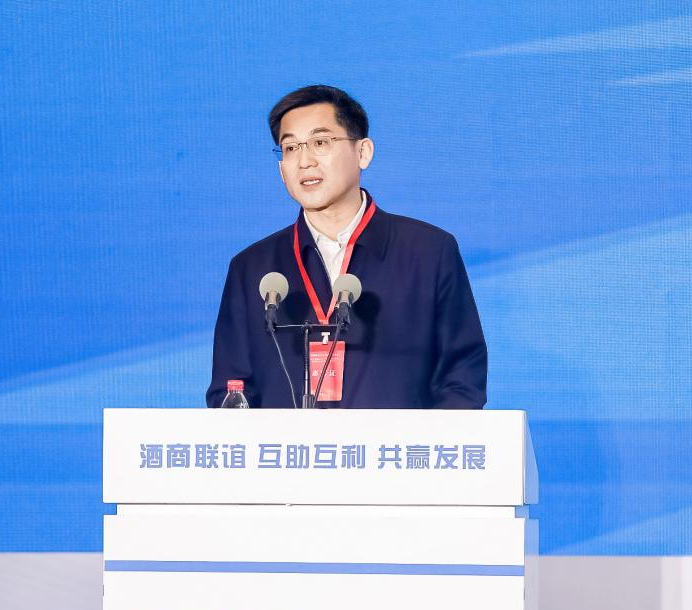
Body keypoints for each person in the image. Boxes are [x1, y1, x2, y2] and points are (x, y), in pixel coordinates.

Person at [206, 85, 486, 409]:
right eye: (290, 147)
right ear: (281, 167)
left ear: (363, 152)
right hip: (286, 444)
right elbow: (229, 391)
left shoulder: (428, 252)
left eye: (321, 142)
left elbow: (462, 378)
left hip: (395, 443)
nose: (305, 161)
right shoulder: (252, 269)